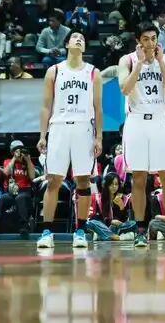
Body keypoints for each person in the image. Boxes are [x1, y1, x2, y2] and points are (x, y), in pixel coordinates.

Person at [117, 23, 165, 247]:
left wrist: (161, 63)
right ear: (138, 41)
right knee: (138, 177)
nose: (150, 43)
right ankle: (140, 230)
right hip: (136, 121)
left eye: (154, 38)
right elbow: (125, 89)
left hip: (159, 120)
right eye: (145, 39)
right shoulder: (127, 60)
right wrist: (139, 64)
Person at [36, 32, 103, 249]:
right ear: (67, 44)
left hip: (84, 128)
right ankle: (47, 232)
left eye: (82, 38)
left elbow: (98, 108)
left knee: (83, 181)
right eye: (74, 37)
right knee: (53, 180)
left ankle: (80, 231)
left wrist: (99, 137)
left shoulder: (93, 72)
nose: (79, 39)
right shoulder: (54, 71)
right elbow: (46, 106)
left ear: (84, 47)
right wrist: (42, 135)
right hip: (59, 127)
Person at [0, 141, 38, 238]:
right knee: (3, 199)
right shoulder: (8, 161)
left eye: (21, 150)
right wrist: (14, 159)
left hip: (24, 191)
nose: (19, 152)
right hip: (11, 192)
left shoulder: (28, 162)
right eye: (17, 150)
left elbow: (32, 177)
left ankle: (24, 227)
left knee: (21, 198)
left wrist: (28, 160)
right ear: (12, 152)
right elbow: (6, 173)